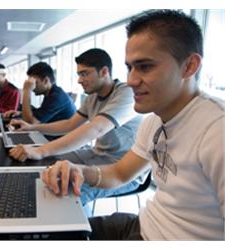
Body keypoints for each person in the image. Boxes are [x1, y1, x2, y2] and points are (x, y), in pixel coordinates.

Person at [41, 10, 225, 240]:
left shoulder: (217, 131)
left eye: (145, 67)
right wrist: (80, 172)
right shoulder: (154, 120)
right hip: (143, 225)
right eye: (130, 68)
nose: (131, 80)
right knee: (48, 231)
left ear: (189, 66)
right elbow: (119, 173)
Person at [9, 49, 144, 206]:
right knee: (46, 166)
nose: (79, 80)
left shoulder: (126, 93)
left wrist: (40, 150)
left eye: (84, 73)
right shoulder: (92, 96)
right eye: (79, 74)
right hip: (97, 154)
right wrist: (32, 128)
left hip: (122, 169)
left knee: (66, 193)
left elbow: (96, 129)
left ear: (104, 71)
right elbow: (69, 124)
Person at [4, 62, 76, 124]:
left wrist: (26, 91)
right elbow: (41, 112)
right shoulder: (52, 92)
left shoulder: (57, 97)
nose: (32, 86)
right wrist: (20, 113)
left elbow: (30, 122)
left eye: (34, 82)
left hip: (58, 138)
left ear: (46, 80)